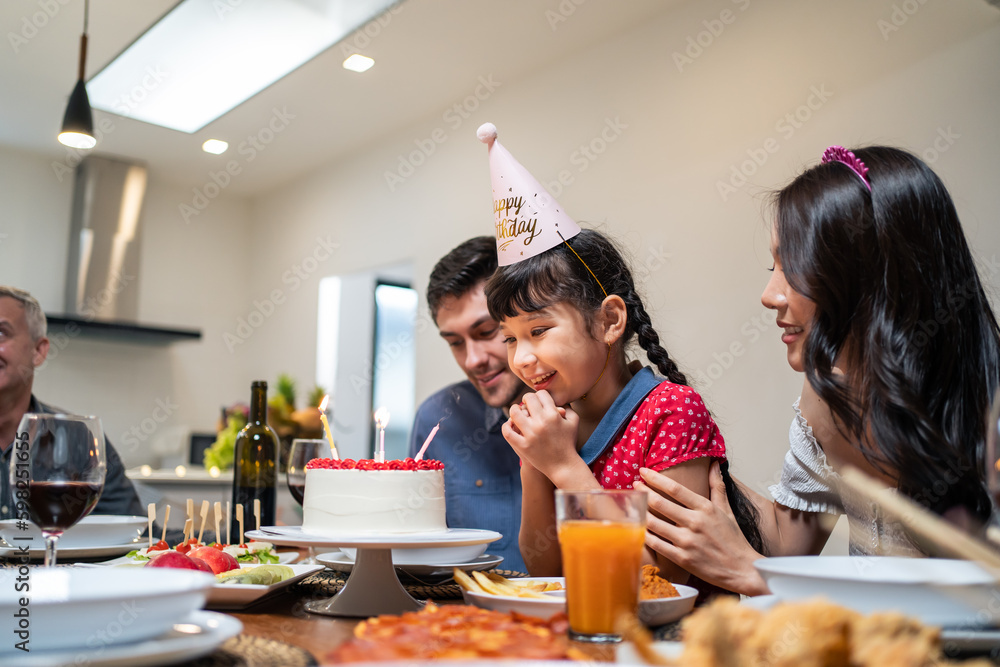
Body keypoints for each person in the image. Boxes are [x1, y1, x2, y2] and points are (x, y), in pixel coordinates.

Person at [638, 145, 1000, 595]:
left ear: (871, 275)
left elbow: (967, 612)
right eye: (774, 266)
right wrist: (684, 452)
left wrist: (757, 576)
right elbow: (789, 545)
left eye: (796, 267)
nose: (769, 295)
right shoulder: (828, 398)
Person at [485, 228, 765, 587]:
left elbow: (659, 579)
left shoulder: (670, 410)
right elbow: (548, 573)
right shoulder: (549, 427)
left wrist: (564, 467)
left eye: (538, 330)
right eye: (510, 338)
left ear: (610, 321)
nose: (521, 359)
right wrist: (536, 464)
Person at [407, 237, 529, 572]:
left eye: (487, 331)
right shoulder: (439, 421)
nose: (473, 360)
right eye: (456, 343)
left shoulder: (590, 413)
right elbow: (415, 552)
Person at [0, 286, 144, 522]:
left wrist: (221, 540)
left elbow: (135, 534)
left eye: (1, 333)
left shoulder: (79, 440)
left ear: (38, 351)